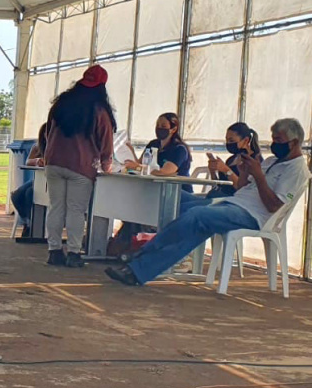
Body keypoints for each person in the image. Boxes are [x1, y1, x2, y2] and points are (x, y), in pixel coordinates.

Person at [106, 118, 310, 287]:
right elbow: (241, 189)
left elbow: (274, 206)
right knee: (180, 206)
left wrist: (258, 176)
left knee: (197, 217)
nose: (275, 144)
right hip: (234, 202)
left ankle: (140, 265)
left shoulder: (297, 169)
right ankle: (141, 262)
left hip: (254, 215)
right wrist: (248, 171)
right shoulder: (271, 161)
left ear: (294, 142)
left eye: (279, 139)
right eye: (273, 138)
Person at [43, 64, 116, 268]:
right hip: (81, 166)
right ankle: (74, 253)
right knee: (76, 210)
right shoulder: (99, 110)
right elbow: (106, 142)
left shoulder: (61, 104)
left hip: (54, 161)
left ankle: (54, 250)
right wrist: (106, 164)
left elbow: (48, 132)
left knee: (56, 207)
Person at [125, 112, 193, 192]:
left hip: (178, 192)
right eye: (157, 125)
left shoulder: (179, 149)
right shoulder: (153, 144)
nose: (159, 128)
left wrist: (138, 167)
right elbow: (140, 163)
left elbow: (163, 172)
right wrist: (130, 151)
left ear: (173, 129)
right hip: (156, 190)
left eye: (163, 126)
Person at [9, 123, 47, 233]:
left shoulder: (58, 147)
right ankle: (27, 220)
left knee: (30, 193)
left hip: (50, 181)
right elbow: (28, 161)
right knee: (17, 194)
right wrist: (37, 161)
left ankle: (32, 225)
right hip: (38, 179)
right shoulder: (37, 147)